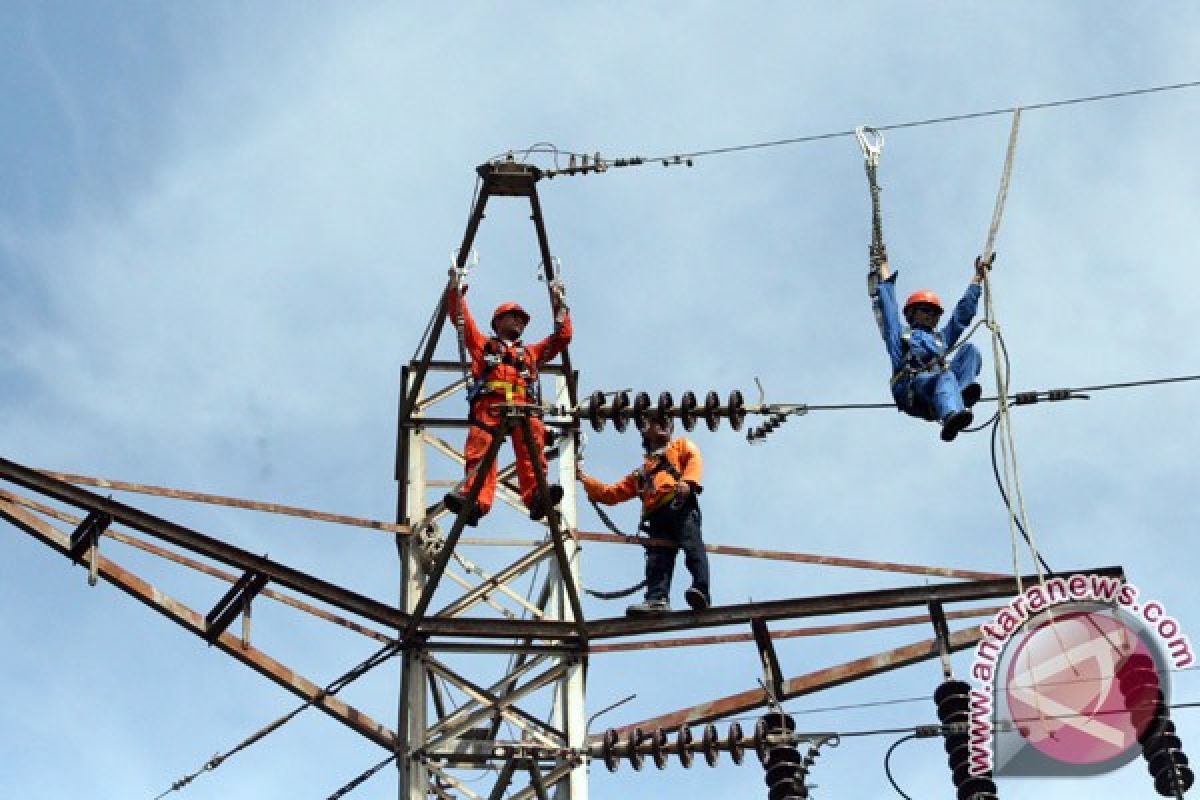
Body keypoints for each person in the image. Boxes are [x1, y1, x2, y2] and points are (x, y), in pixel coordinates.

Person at [443, 275, 572, 525]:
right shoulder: (483, 346)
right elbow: (461, 321)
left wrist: (560, 304)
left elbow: (562, 337)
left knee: (533, 444)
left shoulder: (531, 353)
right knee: (480, 449)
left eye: (521, 319)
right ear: (498, 322)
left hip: (523, 410)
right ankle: (475, 502)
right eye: (513, 316)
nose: (518, 322)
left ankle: (537, 495)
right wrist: (456, 293)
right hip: (490, 408)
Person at [578, 411, 710, 615]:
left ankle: (701, 590)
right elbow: (611, 494)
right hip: (657, 518)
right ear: (646, 432)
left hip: (680, 506)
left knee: (692, 547)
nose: (664, 424)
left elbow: (694, 459)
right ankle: (657, 600)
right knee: (658, 560)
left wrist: (688, 482)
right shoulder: (641, 473)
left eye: (666, 422)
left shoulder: (680, 446)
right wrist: (585, 480)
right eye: (656, 422)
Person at [873, 254, 993, 442]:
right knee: (945, 377)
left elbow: (961, 316)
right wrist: (883, 269)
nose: (931, 315)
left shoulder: (940, 340)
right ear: (912, 313)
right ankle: (950, 416)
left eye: (935, 312)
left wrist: (977, 279)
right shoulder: (900, 336)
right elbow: (889, 310)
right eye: (926, 310)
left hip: (941, 386)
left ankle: (959, 394)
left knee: (970, 351)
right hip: (913, 389)